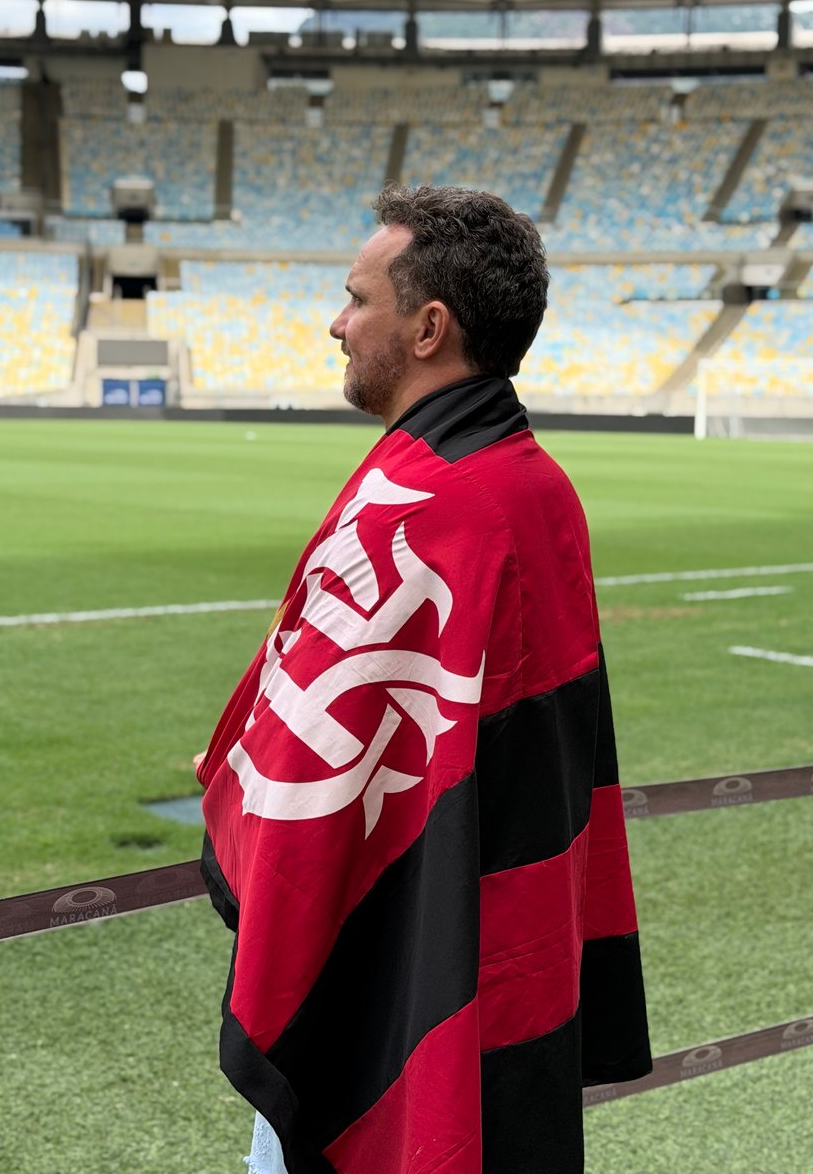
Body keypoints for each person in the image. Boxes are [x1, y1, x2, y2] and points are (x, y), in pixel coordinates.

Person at [197, 184, 651, 1174]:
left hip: (396, 959)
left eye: (358, 298)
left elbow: (304, 780)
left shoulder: (425, 501)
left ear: (429, 326)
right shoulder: (532, 480)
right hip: (490, 933)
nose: (337, 321)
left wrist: (234, 777)